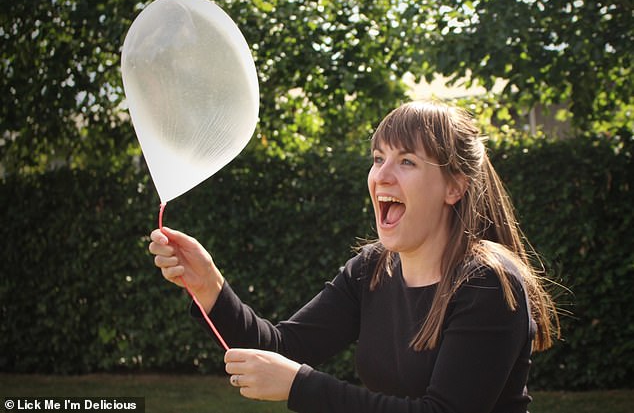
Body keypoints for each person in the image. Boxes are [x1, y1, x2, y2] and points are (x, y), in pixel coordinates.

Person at [149, 100, 559, 413]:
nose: (382, 175)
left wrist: (301, 386)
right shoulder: (371, 269)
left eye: (407, 161)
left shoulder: (487, 283)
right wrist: (210, 289)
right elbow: (282, 347)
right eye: (378, 158)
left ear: (454, 187)